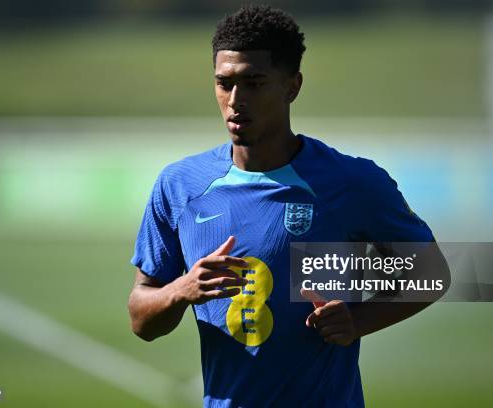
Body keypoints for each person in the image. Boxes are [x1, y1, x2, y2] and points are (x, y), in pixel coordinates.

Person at [128, 5, 449, 407]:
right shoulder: (179, 185)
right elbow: (142, 317)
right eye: (223, 83)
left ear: (292, 86)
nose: (235, 100)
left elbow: (432, 272)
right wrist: (181, 290)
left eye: (254, 83)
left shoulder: (351, 182)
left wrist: (358, 321)